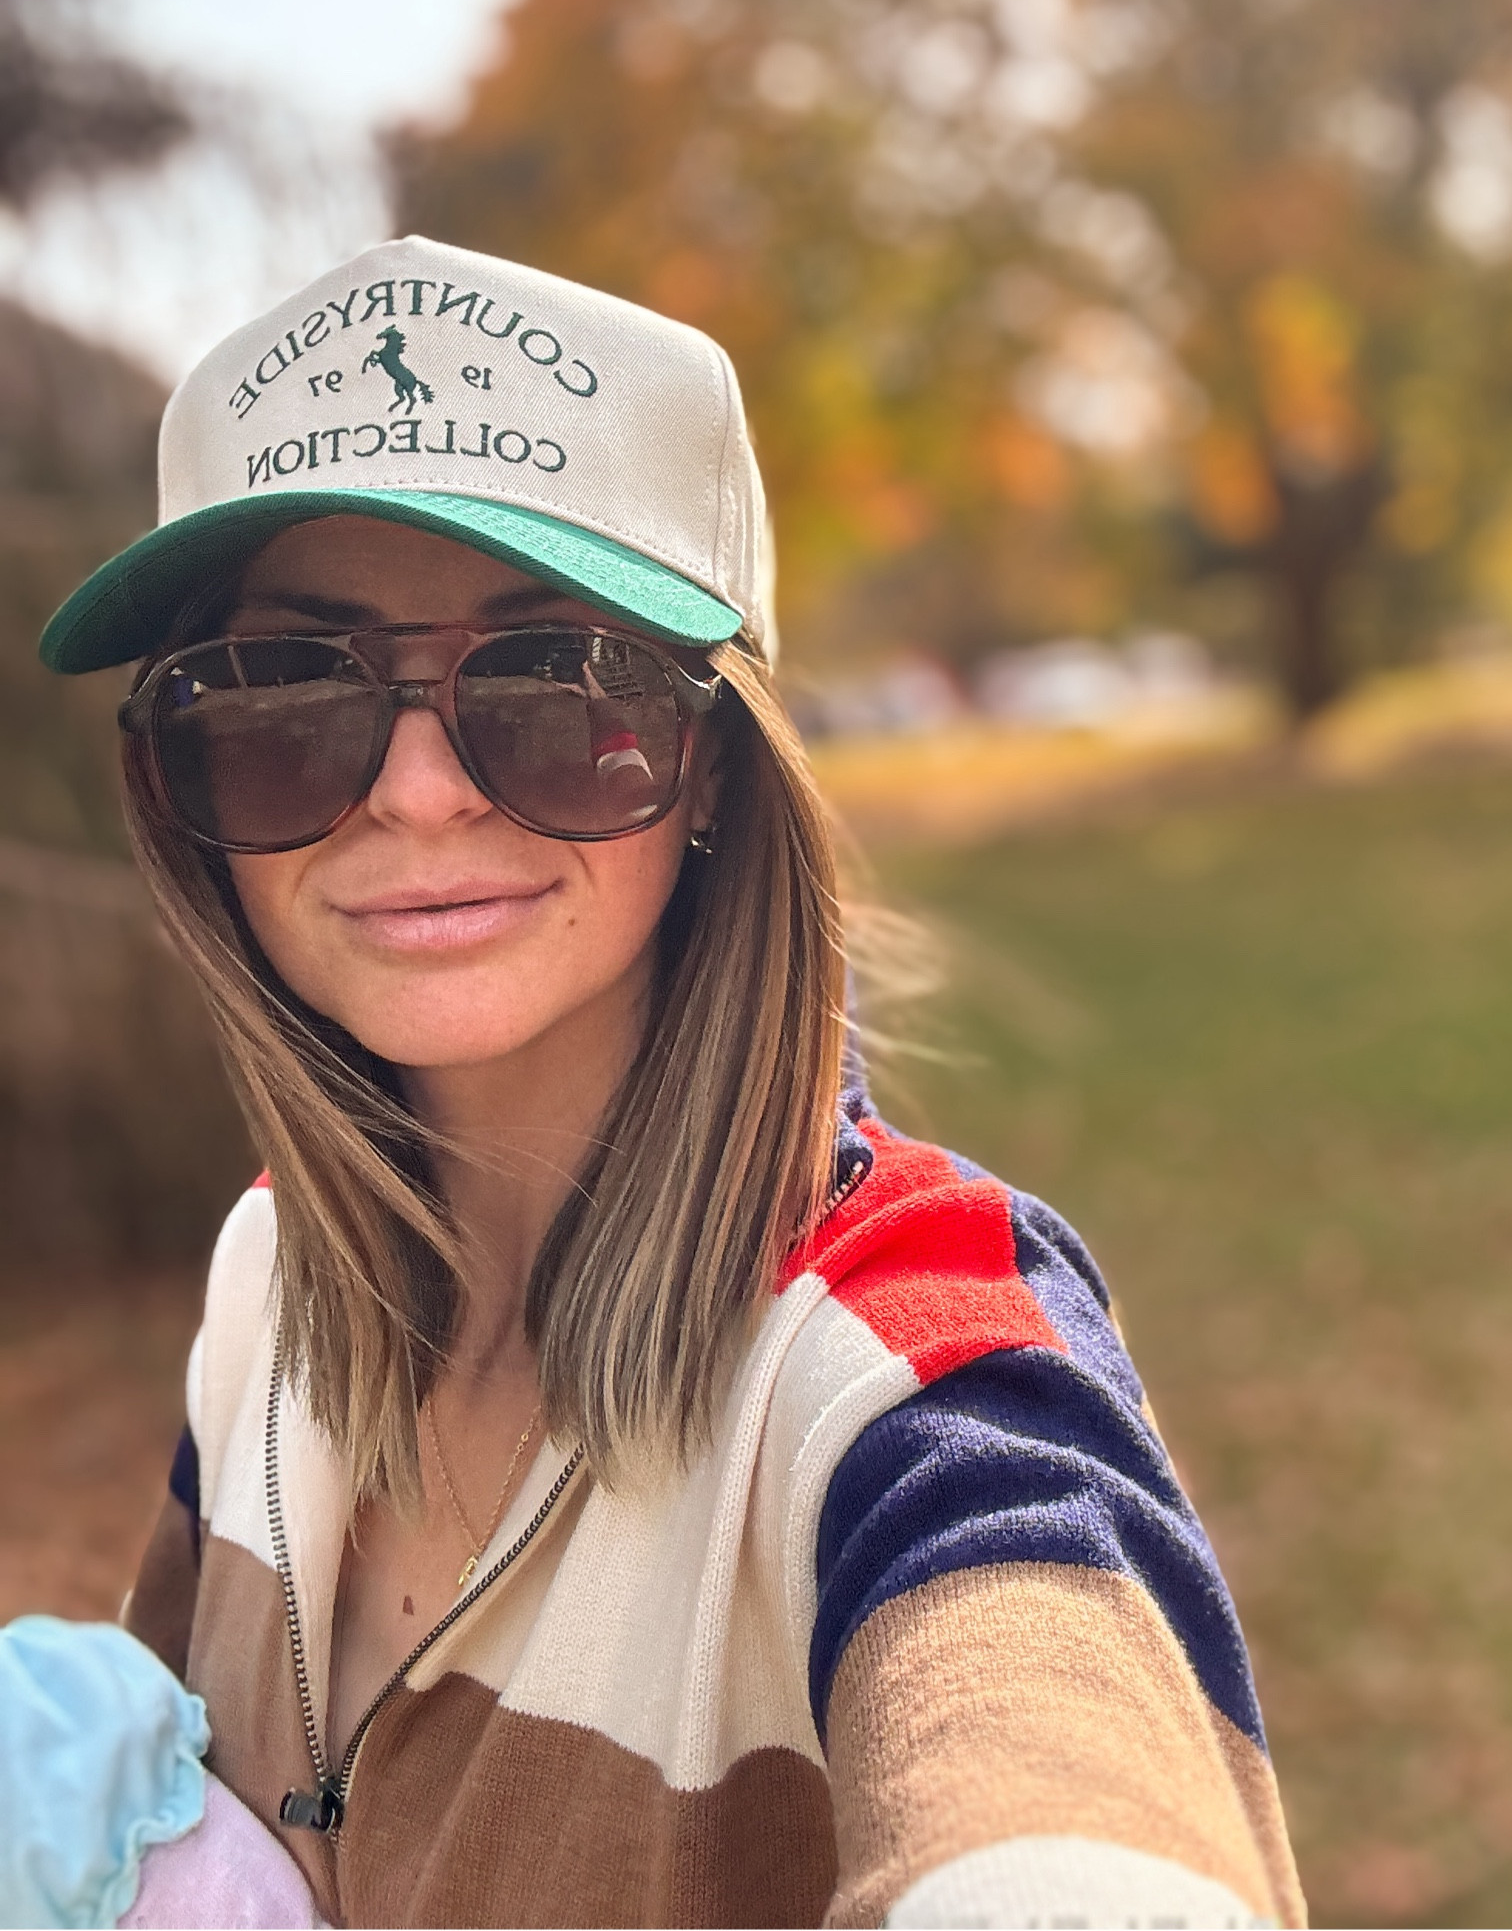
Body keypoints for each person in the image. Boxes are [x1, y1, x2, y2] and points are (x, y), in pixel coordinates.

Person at [37, 238, 1305, 1929]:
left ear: (708, 750)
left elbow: (1048, 1757)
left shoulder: (904, 1379)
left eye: (554, 677)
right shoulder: (266, 1277)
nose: (415, 792)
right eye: (286, 689)